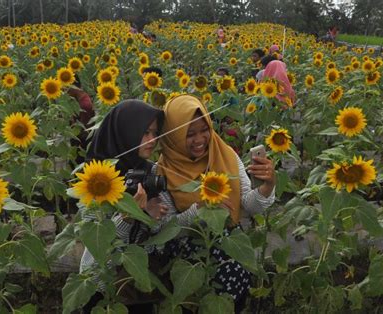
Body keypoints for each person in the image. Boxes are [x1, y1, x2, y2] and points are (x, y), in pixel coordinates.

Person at [157, 95, 276, 311]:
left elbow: (247, 205)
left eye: (205, 130)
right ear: (173, 134)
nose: (200, 139)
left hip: (230, 258)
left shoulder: (225, 154)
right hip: (190, 260)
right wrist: (199, 210)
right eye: (189, 134)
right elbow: (166, 228)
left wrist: (266, 187)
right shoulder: (161, 172)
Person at [80, 100, 168, 313]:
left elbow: (157, 238)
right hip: (101, 285)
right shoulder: (94, 175)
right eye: (145, 132)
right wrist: (127, 217)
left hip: (136, 287)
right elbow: (98, 246)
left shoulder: (150, 172)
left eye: (155, 133)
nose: (152, 140)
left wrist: (154, 218)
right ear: (125, 132)